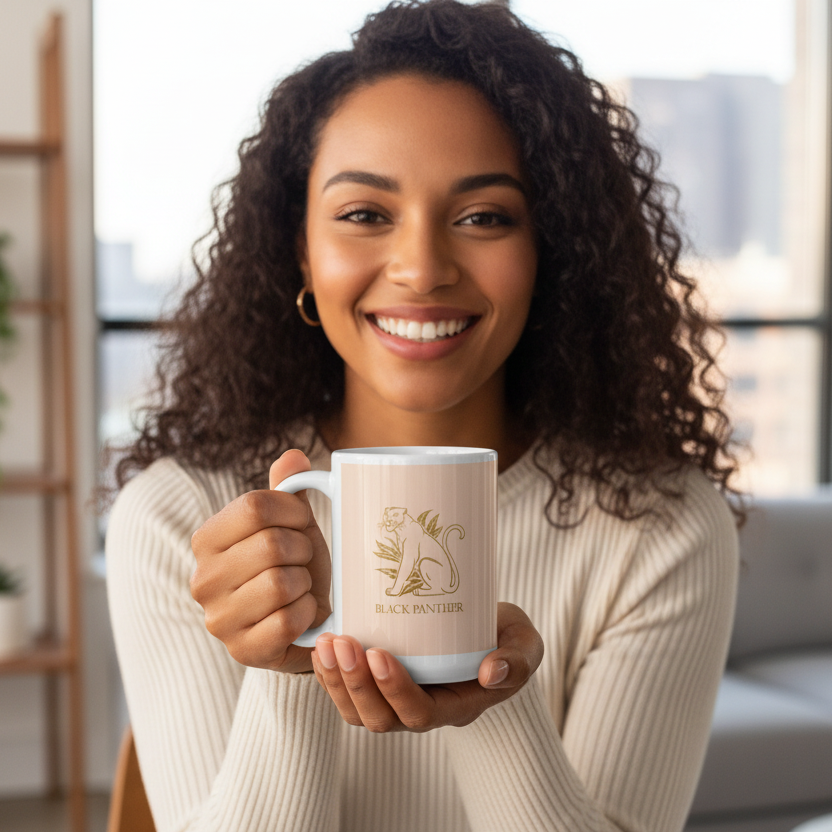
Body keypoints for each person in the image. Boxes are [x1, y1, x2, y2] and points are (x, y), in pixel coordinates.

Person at [105, 2, 743, 830]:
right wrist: (290, 654)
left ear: (549, 251)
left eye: (484, 217)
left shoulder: (660, 525)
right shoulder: (181, 516)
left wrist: (493, 694)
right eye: (365, 214)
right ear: (301, 251)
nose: (421, 268)